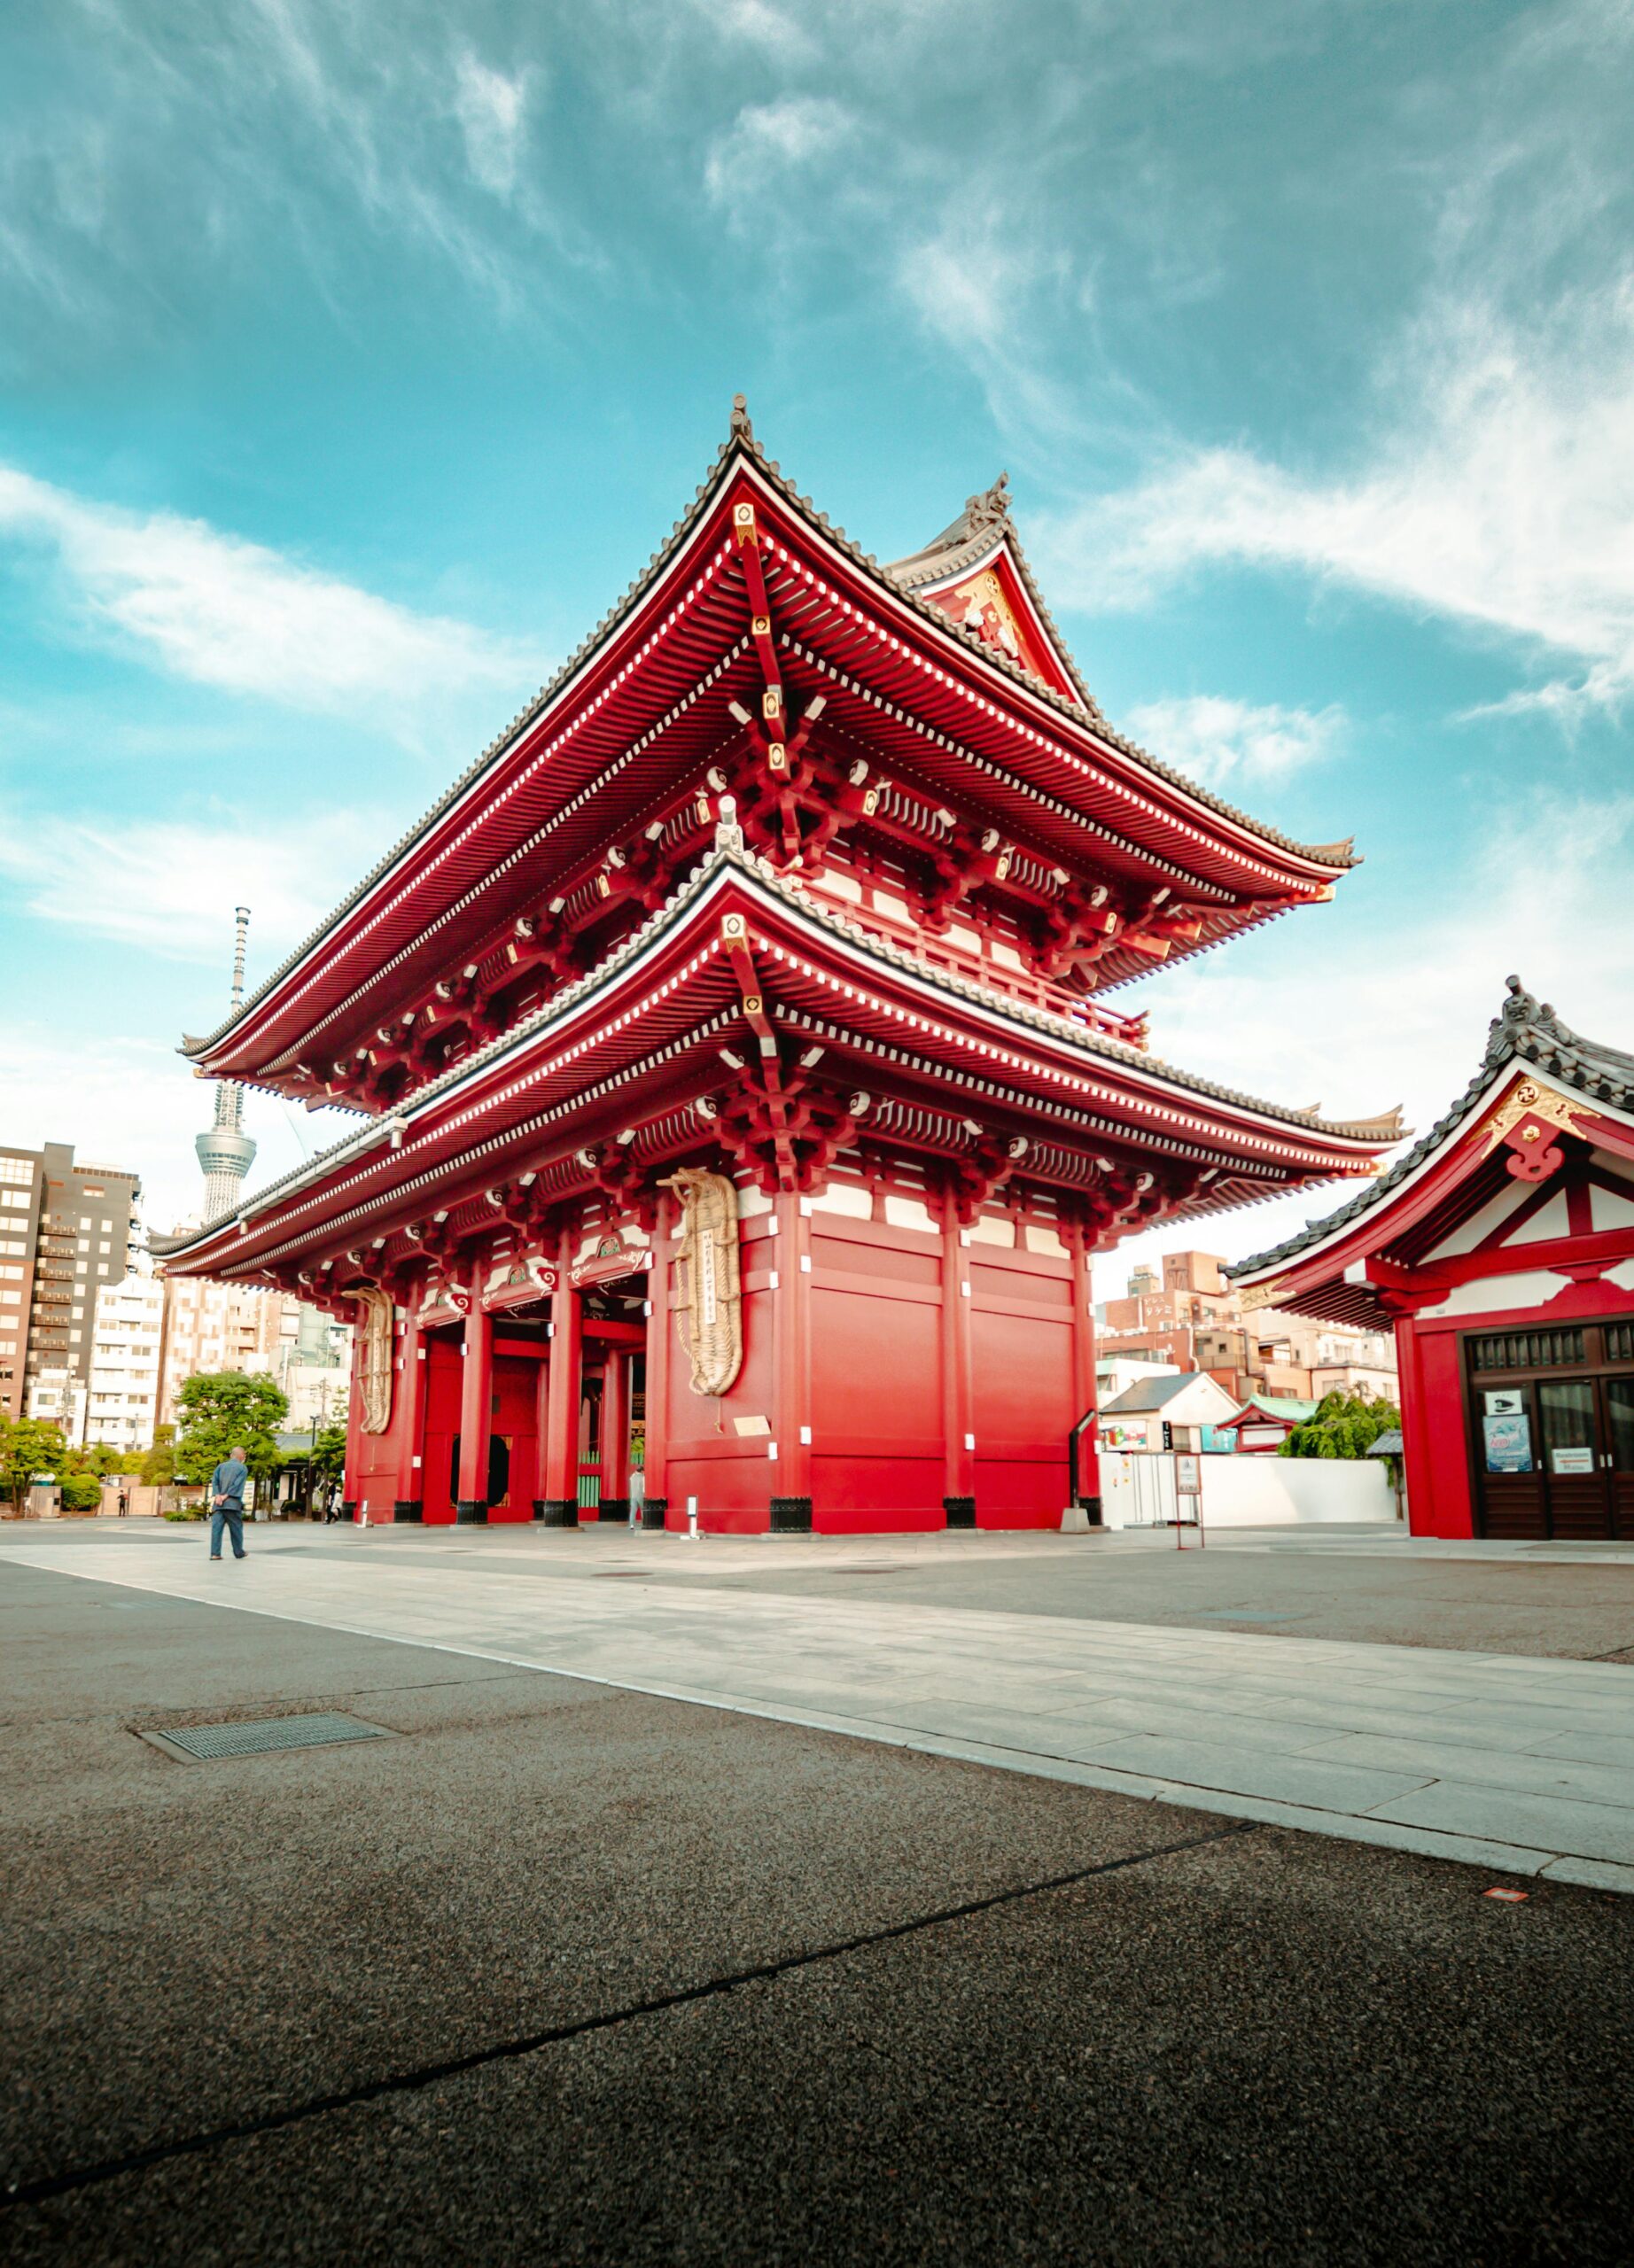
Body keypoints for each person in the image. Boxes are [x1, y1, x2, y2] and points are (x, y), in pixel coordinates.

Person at [208, 1445, 250, 1562]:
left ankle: (215, 1554)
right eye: (244, 1455)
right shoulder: (242, 1468)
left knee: (216, 1529)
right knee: (236, 1528)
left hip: (218, 1504)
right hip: (232, 1504)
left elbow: (214, 1481)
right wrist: (225, 1496)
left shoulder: (220, 1466)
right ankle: (238, 1552)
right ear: (241, 1455)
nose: (245, 1457)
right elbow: (237, 1484)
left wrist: (218, 1495)